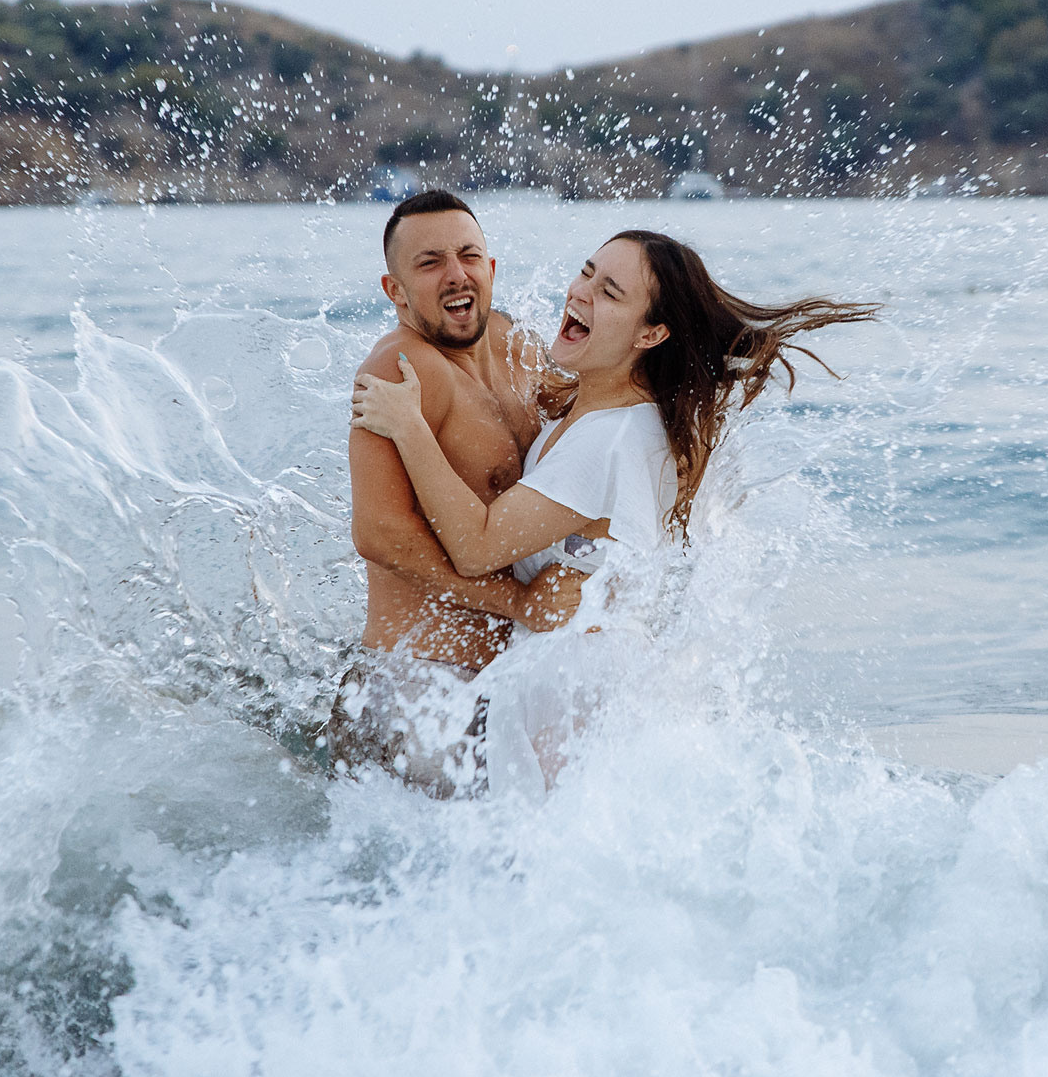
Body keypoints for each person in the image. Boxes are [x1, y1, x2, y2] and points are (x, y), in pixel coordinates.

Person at [350, 228, 878, 787]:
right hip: (588, 677)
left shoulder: (611, 438)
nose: (581, 293)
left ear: (651, 332)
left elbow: (478, 546)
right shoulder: (591, 409)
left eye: (610, 292)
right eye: (586, 272)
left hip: (575, 681)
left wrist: (409, 427)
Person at [327, 190, 590, 797]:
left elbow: (588, 438)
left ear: (490, 269)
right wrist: (521, 601)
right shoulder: (397, 372)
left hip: (506, 674)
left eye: (468, 255)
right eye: (429, 263)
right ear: (394, 291)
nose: (455, 274)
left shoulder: (517, 347)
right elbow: (380, 534)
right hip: (418, 683)